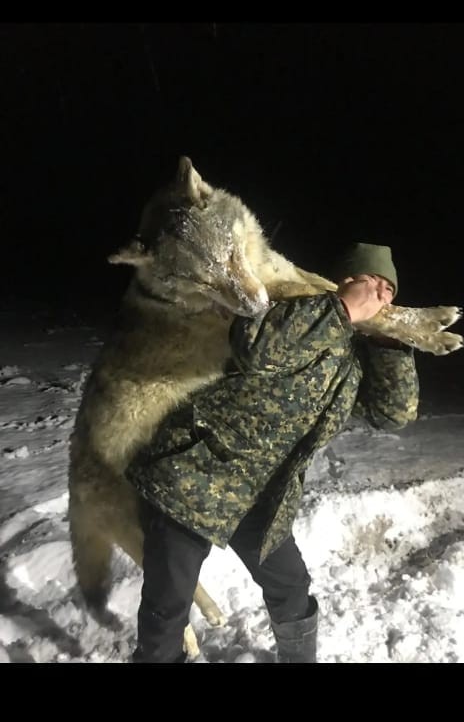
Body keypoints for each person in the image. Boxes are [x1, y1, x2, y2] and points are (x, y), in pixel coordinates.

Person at [125, 243, 419, 663]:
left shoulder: (354, 359)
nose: (381, 293)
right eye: (370, 280)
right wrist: (340, 310)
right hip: (195, 476)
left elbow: (393, 415)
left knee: (291, 586)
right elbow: (258, 347)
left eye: (389, 288)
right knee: (168, 602)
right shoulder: (289, 305)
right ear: (343, 281)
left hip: (262, 495)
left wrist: (392, 345)